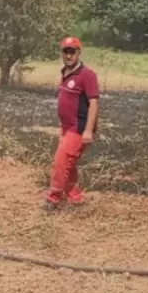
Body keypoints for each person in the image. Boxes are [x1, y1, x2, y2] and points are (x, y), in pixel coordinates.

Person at [44, 36, 99, 212]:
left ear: (78, 53)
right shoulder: (65, 73)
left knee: (60, 163)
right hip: (66, 128)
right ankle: (75, 199)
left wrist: (89, 131)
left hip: (78, 129)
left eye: (72, 51)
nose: (69, 55)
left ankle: (53, 199)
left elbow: (94, 103)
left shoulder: (87, 75)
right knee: (68, 164)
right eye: (66, 51)